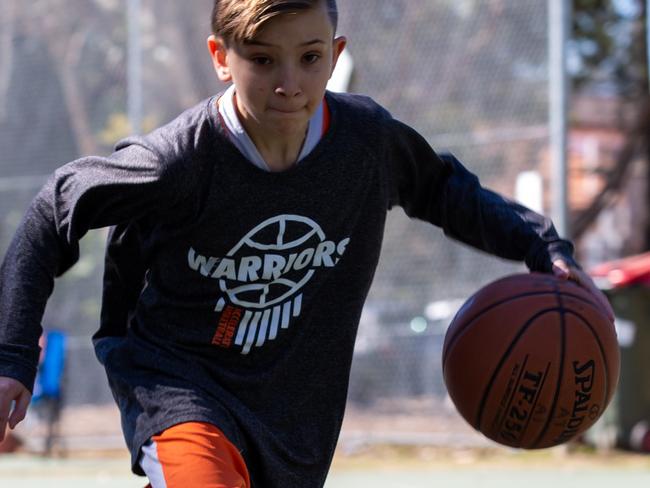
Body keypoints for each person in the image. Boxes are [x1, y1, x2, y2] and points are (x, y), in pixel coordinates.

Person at [0, 0, 614, 486]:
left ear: (336, 53)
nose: (289, 83)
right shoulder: (178, 162)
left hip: (296, 404)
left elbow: (444, 191)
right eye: (263, 59)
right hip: (176, 375)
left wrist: (543, 246)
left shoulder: (365, 145)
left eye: (310, 57)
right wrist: (12, 355)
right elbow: (55, 206)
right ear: (221, 55)